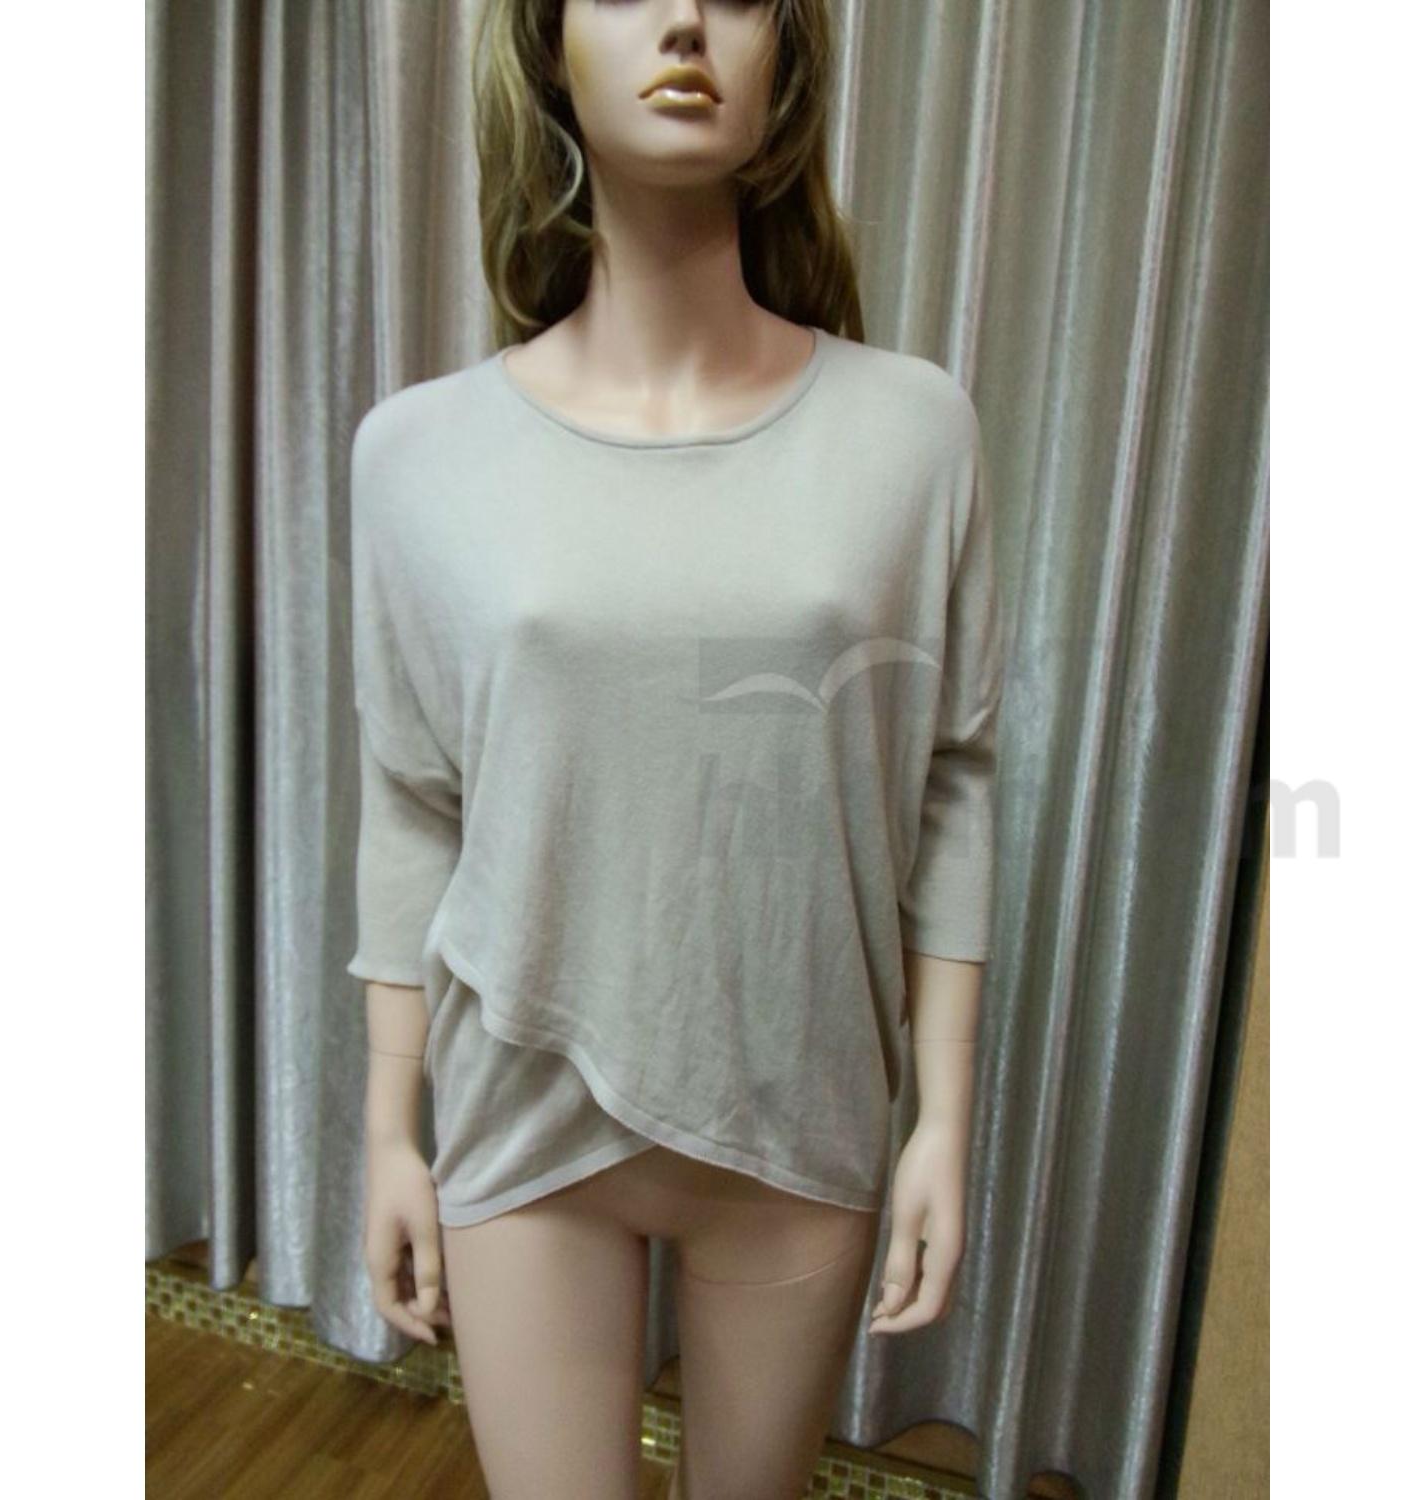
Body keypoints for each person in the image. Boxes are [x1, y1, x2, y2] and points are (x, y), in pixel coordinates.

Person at [352, 2, 1003, 1496]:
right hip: (521, 1115)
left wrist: (945, 1120)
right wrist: (388, 1130)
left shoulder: (914, 433)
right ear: (545, 49)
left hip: (800, 1105)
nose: (689, 21)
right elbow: (411, 801)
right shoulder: (417, 454)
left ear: (792, 64)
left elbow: (953, 776)